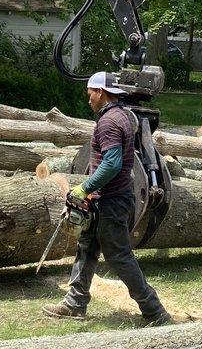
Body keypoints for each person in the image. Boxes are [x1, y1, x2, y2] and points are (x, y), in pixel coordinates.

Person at [42, 71, 171, 325]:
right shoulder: (122, 115)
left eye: (90, 92)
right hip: (107, 200)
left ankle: (155, 311)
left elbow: (111, 164)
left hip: (110, 203)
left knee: (120, 257)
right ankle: (75, 303)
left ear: (100, 92)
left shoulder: (110, 122)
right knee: (87, 248)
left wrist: (84, 188)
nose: (88, 98)